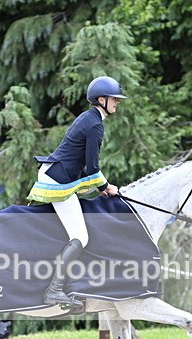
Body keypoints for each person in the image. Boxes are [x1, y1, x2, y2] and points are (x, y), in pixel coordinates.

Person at [26, 76, 123, 312]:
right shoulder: (95, 125)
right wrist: (106, 188)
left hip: (58, 175)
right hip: (58, 182)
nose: (117, 103)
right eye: (114, 99)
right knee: (81, 235)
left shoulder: (89, 118)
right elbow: (92, 168)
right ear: (102, 99)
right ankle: (54, 290)